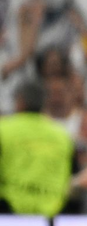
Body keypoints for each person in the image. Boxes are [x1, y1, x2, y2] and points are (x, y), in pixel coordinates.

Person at [0, 82, 73, 217]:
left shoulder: (4, 129)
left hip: (9, 212)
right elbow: (68, 175)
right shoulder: (62, 135)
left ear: (20, 101)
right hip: (51, 212)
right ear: (44, 104)